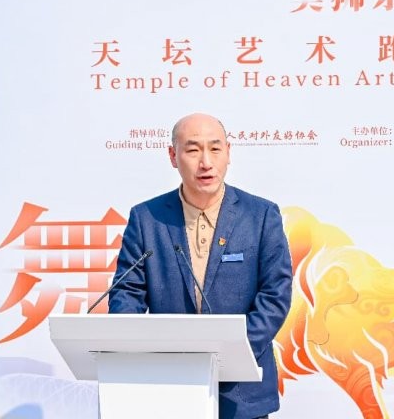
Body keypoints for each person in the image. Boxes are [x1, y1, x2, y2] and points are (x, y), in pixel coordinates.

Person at [108, 112, 293, 419]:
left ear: (228, 153)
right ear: (173, 156)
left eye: (215, 148)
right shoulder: (147, 218)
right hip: (168, 386)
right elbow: (126, 293)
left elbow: (276, 295)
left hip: (242, 393)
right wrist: (137, 347)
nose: (206, 162)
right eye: (193, 150)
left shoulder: (260, 215)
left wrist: (231, 353)